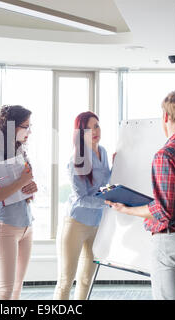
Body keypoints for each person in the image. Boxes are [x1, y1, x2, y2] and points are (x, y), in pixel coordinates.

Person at [105, 91, 175, 300]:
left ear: (165, 117)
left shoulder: (166, 155)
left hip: (171, 248)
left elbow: (164, 210)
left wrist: (126, 209)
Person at [54, 111, 115, 300]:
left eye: (96, 125)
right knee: (66, 280)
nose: (94, 131)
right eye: (88, 129)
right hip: (76, 223)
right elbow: (81, 198)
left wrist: (116, 167)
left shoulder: (103, 152)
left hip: (97, 224)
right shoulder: (76, 160)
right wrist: (107, 202)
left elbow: (106, 183)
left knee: (87, 278)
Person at [0, 105, 38, 300]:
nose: (29, 131)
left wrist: (31, 187)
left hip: (26, 224)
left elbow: (25, 185)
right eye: (26, 126)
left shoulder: (21, 151)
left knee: (16, 289)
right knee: (5, 290)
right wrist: (22, 181)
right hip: (4, 226)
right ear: (12, 127)